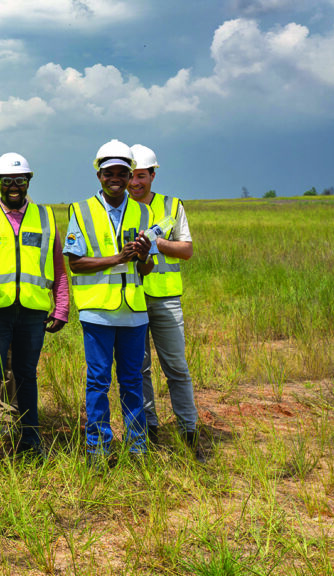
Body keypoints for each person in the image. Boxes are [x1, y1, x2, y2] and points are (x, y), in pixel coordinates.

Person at [63, 139, 155, 465]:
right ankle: (98, 450)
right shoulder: (82, 210)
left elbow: (147, 268)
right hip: (98, 313)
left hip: (133, 313)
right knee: (98, 382)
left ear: (131, 177)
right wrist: (118, 257)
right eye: (108, 173)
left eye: (122, 173)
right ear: (98, 175)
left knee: (132, 383)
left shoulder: (143, 212)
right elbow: (74, 262)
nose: (115, 178)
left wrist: (143, 256)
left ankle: (137, 448)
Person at [0, 153, 69, 459]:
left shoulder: (45, 217)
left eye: (20, 180)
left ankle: (30, 441)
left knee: (27, 374)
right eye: (7, 181)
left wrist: (62, 304)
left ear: (28, 181)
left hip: (33, 310)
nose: (14, 186)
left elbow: (58, 265)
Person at [128, 144, 204, 461]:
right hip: (131, 298)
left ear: (153, 175)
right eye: (130, 176)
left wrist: (155, 242)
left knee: (176, 368)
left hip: (166, 299)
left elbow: (186, 250)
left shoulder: (172, 206)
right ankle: (150, 431)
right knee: (139, 370)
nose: (135, 183)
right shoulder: (119, 207)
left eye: (141, 176)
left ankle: (189, 432)